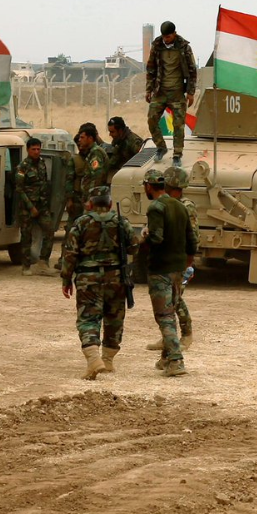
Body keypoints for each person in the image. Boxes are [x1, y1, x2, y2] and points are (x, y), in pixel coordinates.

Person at [61, 185, 139, 379]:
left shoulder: (81, 223)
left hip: (88, 278)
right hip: (116, 277)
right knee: (114, 318)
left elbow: (70, 254)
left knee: (88, 318)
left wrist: (66, 279)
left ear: (90, 204)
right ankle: (108, 359)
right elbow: (134, 247)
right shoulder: (121, 222)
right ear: (110, 204)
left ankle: (94, 359)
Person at [141, 167, 197, 376]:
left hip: (161, 269)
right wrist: (185, 263)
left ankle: (176, 360)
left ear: (149, 186)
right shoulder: (180, 206)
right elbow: (191, 240)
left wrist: (142, 240)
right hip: (177, 268)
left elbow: (156, 238)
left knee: (164, 316)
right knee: (171, 311)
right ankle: (166, 358)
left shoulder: (156, 207)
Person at [145, 21, 198, 165]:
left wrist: (190, 92)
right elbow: (150, 69)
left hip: (177, 93)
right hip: (160, 91)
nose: (165, 39)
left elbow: (192, 71)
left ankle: (177, 155)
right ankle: (161, 147)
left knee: (178, 125)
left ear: (174, 34)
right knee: (151, 119)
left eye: (168, 37)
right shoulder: (157, 46)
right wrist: (149, 89)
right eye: (164, 36)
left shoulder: (184, 47)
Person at [15, 137, 58, 276]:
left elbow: (44, 183)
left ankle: (43, 262)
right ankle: (26, 265)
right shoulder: (22, 167)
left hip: (42, 205)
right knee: (26, 236)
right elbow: (19, 189)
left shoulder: (42, 164)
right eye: (33, 149)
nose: (36, 152)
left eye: (38, 149)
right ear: (28, 150)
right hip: (27, 207)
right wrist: (30, 207)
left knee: (50, 231)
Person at [106, 116, 144, 181]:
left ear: (120, 131)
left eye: (112, 132)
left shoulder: (133, 141)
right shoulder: (118, 140)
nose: (110, 134)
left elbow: (143, 160)